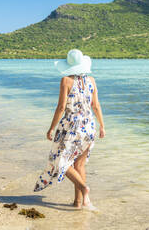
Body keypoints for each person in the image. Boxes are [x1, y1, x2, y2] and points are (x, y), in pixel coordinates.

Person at [34, 49, 105, 210]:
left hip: (71, 127)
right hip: (89, 126)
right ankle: (79, 203)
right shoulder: (92, 80)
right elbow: (96, 105)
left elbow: (61, 107)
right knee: (79, 165)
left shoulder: (66, 80)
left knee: (60, 162)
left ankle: (84, 188)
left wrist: (51, 128)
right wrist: (102, 125)